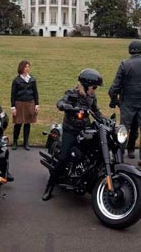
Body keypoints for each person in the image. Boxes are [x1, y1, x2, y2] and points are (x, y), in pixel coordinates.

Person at [42, 69, 103, 201]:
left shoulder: (91, 97)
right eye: (94, 87)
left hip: (85, 129)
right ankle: (49, 186)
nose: (95, 90)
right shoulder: (72, 93)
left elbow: (96, 112)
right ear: (86, 85)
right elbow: (60, 103)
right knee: (63, 158)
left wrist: (105, 120)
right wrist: (70, 108)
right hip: (71, 129)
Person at [108, 40, 141, 168]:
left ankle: (119, 155)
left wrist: (114, 98)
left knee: (124, 129)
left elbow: (116, 85)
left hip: (128, 102)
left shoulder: (125, 64)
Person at [10, 60, 39, 151]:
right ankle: (15, 141)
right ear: (21, 68)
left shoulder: (32, 80)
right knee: (18, 123)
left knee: (27, 123)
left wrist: (37, 104)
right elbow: (13, 94)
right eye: (25, 67)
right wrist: (13, 107)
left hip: (30, 103)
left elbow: (35, 93)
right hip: (19, 104)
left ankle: (26, 142)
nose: (27, 69)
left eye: (28, 67)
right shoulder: (17, 80)